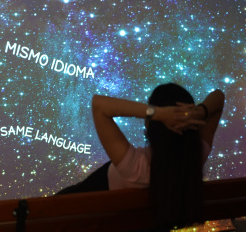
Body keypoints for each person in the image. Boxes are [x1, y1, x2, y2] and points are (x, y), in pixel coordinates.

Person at [56, 83, 225, 230]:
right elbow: (219, 96)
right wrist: (201, 112)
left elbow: (99, 104)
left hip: (68, 211)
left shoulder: (137, 167)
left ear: (151, 124)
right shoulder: (194, 158)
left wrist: (156, 113)